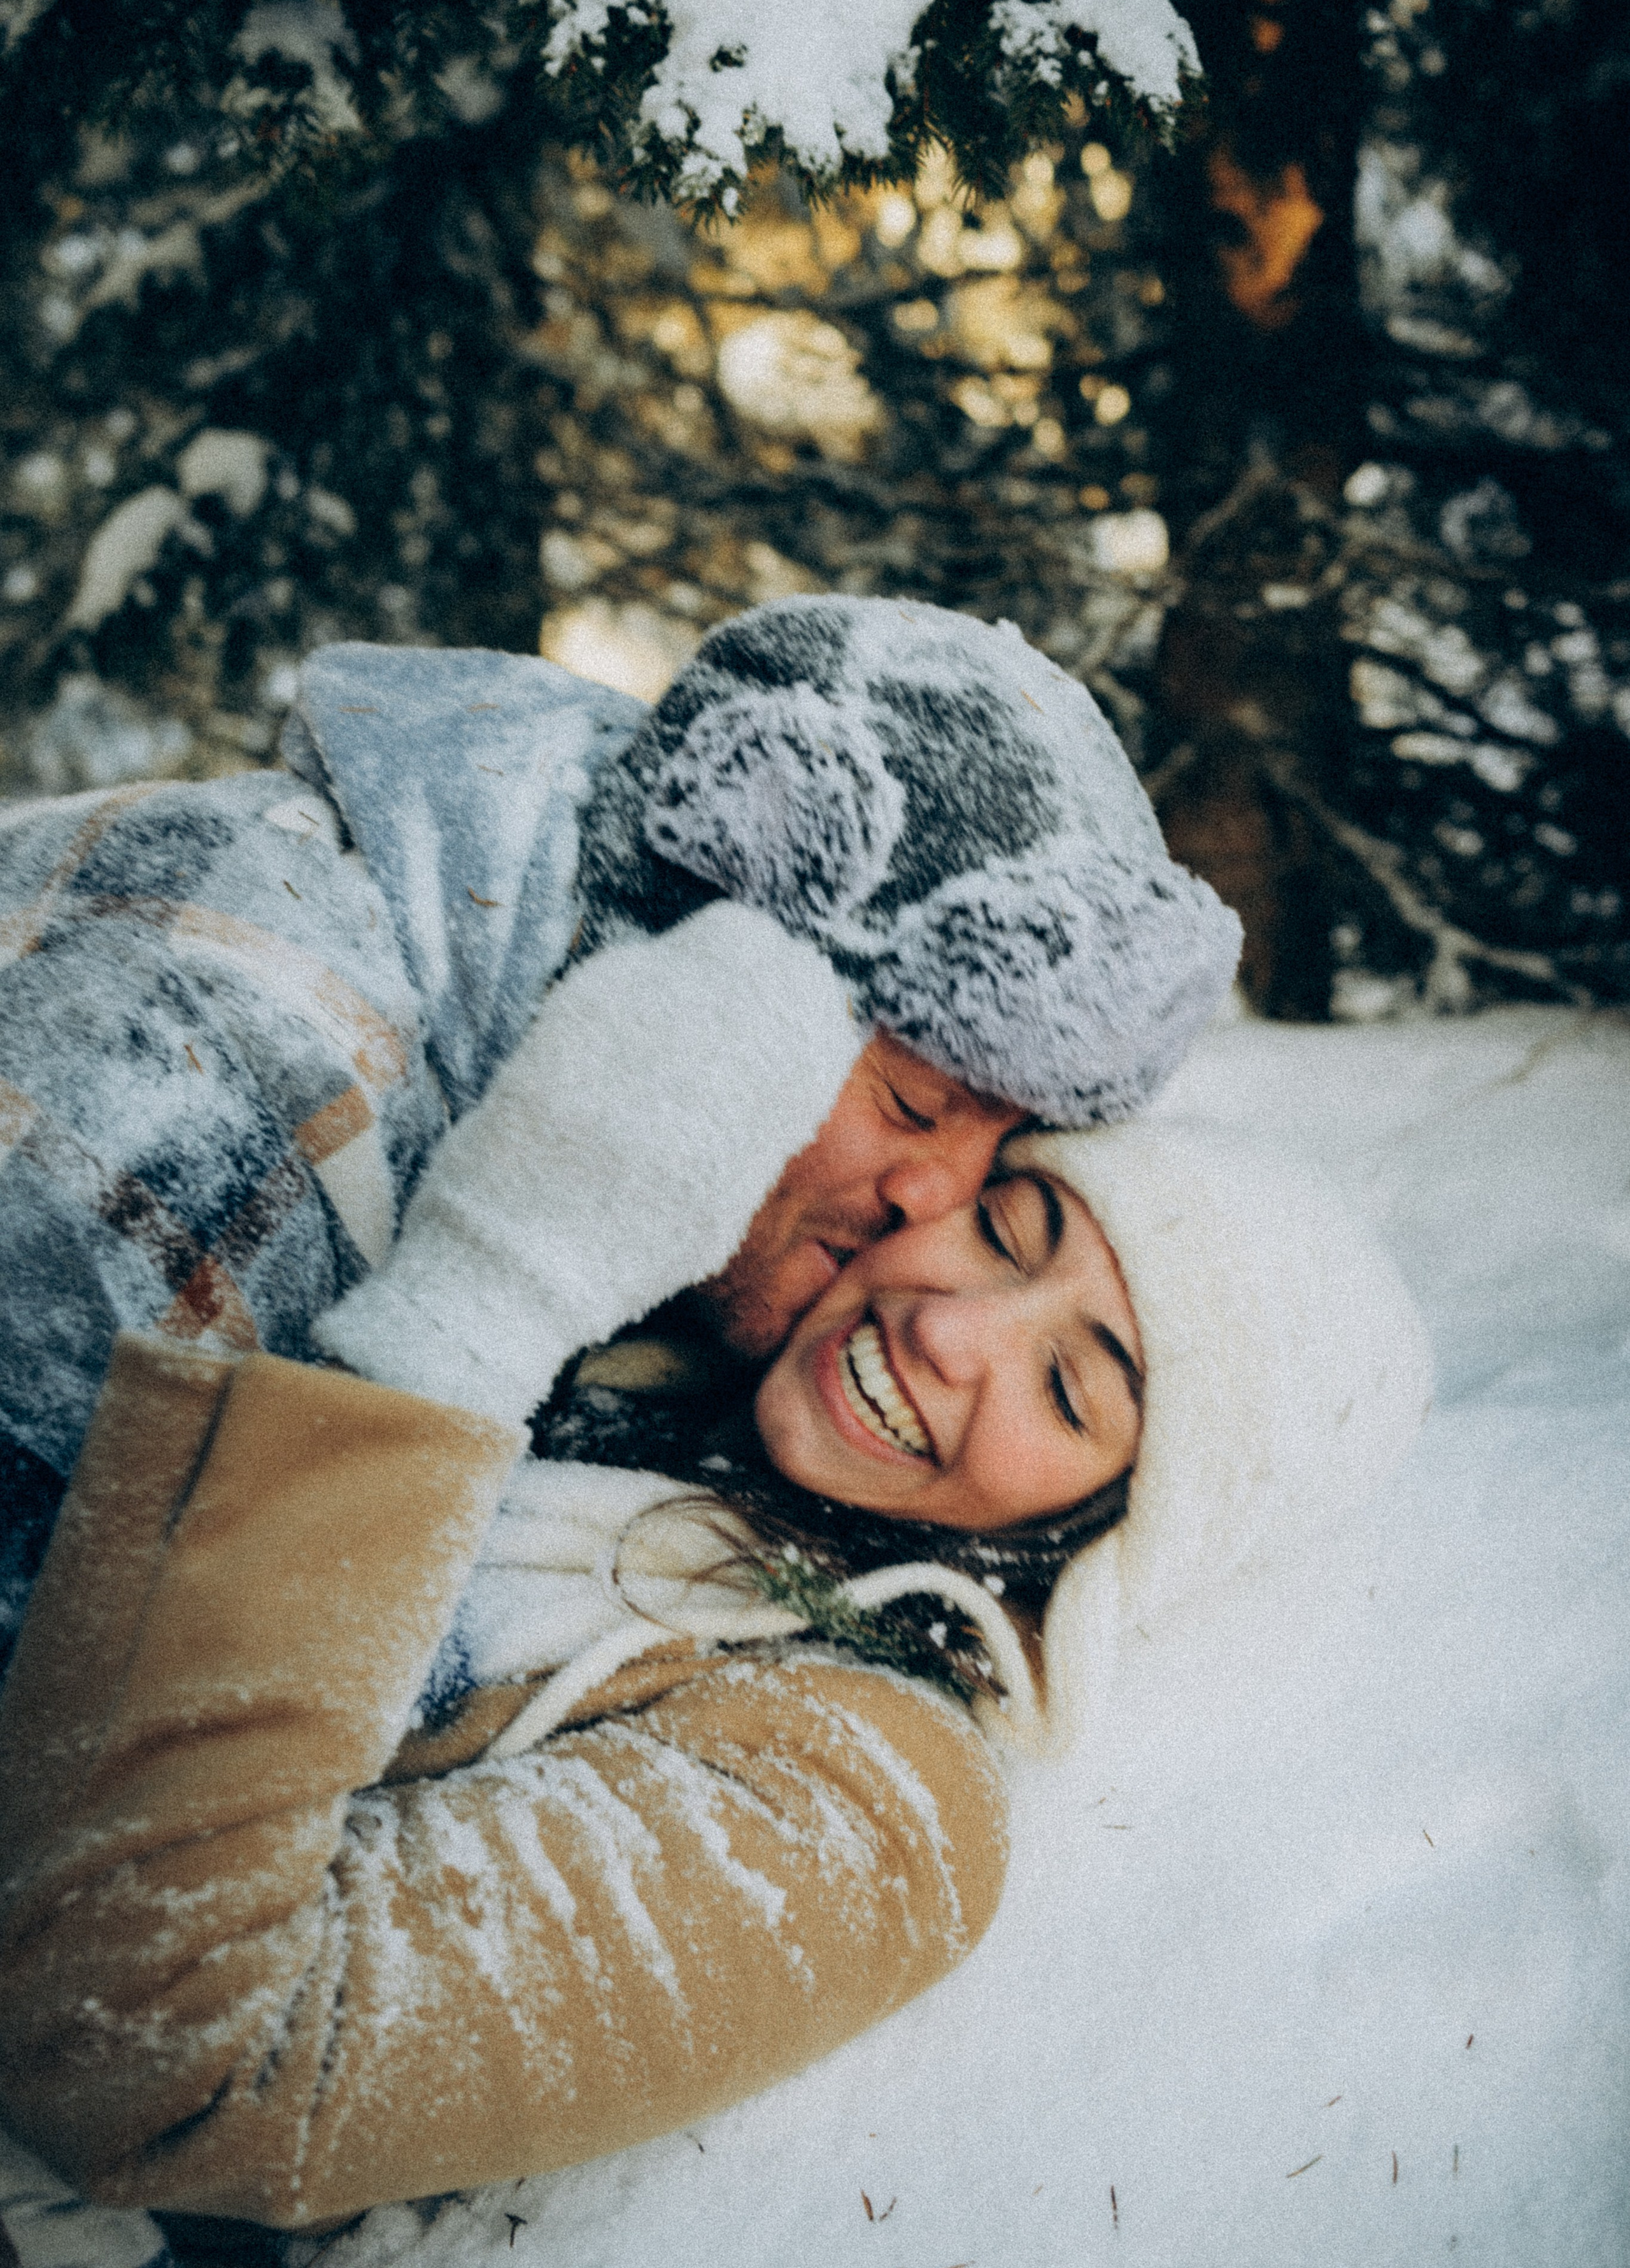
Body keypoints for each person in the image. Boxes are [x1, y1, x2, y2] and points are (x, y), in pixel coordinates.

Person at [0, 1012, 1433, 2252]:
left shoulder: (873, 1800)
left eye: (1068, 1391)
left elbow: (163, 2063)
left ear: (1108, 1532)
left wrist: (472, 1309)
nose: (950, 1329)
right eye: (1006, 1232)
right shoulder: (655, 1345)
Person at [0, 593, 1241, 1681]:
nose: (938, 1202)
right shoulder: (201, 1104)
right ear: (701, 963)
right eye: (915, 1106)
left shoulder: (524, 1051)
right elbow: (100, 1796)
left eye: (998, 1160)